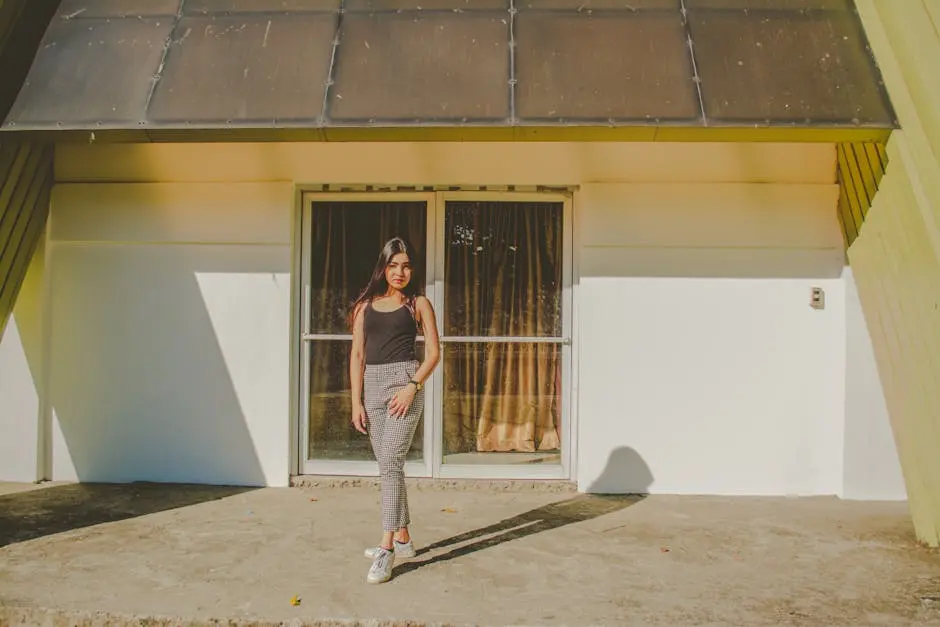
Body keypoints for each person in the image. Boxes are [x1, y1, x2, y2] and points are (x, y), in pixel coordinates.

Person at [349, 236, 440, 584]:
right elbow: (357, 356)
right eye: (393, 265)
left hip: (405, 385)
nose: (400, 272)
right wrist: (356, 401)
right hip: (372, 388)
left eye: (406, 266)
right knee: (391, 465)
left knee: (389, 463)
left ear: (412, 270)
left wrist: (412, 386)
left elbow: (433, 353)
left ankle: (386, 549)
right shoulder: (365, 306)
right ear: (383, 267)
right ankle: (403, 538)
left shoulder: (418, 304)